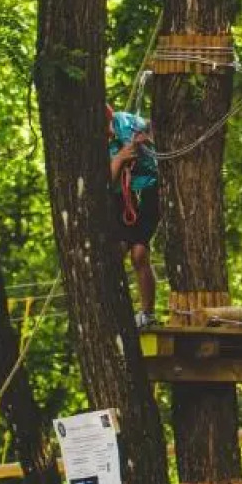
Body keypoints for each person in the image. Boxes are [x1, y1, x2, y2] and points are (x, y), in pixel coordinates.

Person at [107, 106, 160, 329]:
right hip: (123, 197)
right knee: (115, 252)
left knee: (139, 254)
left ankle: (147, 314)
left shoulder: (125, 121)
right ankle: (116, 313)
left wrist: (145, 139)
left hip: (149, 191)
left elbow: (153, 129)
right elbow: (107, 182)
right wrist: (120, 158)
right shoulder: (91, 143)